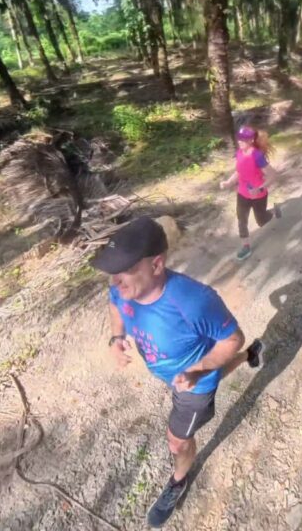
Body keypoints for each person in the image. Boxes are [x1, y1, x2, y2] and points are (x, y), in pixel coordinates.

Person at [91, 217, 263, 528]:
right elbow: (114, 303)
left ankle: (178, 481)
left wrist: (197, 370)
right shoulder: (123, 287)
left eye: (126, 271)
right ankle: (250, 356)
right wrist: (116, 338)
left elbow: (231, 337)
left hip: (193, 387)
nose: (116, 282)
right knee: (219, 369)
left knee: (177, 441)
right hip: (182, 376)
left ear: (156, 266)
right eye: (113, 273)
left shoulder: (194, 300)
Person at [219, 125, 282, 260]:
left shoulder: (257, 155)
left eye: (243, 139)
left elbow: (272, 175)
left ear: (251, 140)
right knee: (242, 219)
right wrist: (229, 182)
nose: (239, 141)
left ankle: (272, 211)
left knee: (261, 220)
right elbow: (238, 171)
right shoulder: (239, 153)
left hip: (258, 195)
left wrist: (259, 188)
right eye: (239, 138)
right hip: (242, 193)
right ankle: (246, 247)